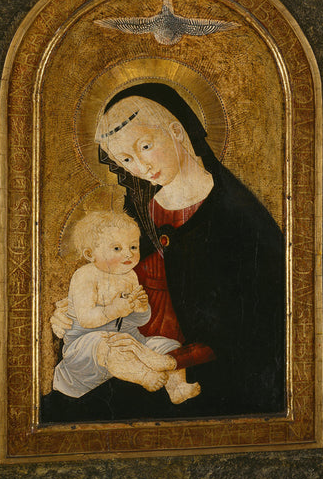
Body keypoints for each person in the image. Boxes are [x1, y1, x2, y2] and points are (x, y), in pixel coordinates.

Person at [41, 82, 286, 422]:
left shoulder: (238, 216)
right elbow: (115, 280)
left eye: (145, 146)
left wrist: (174, 360)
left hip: (207, 375)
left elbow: (256, 325)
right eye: (126, 159)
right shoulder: (139, 216)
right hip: (132, 353)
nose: (140, 166)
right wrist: (75, 313)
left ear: (176, 132)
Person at [52, 210, 201, 404]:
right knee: (104, 344)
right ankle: (144, 375)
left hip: (128, 339)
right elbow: (86, 319)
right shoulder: (85, 277)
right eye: (117, 248)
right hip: (86, 346)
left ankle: (177, 387)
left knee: (166, 345)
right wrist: (114, 310)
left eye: (133, 246)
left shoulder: (130, 275)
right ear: (90, 254)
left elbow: (138, 321)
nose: (128, 254)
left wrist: (140, 309)